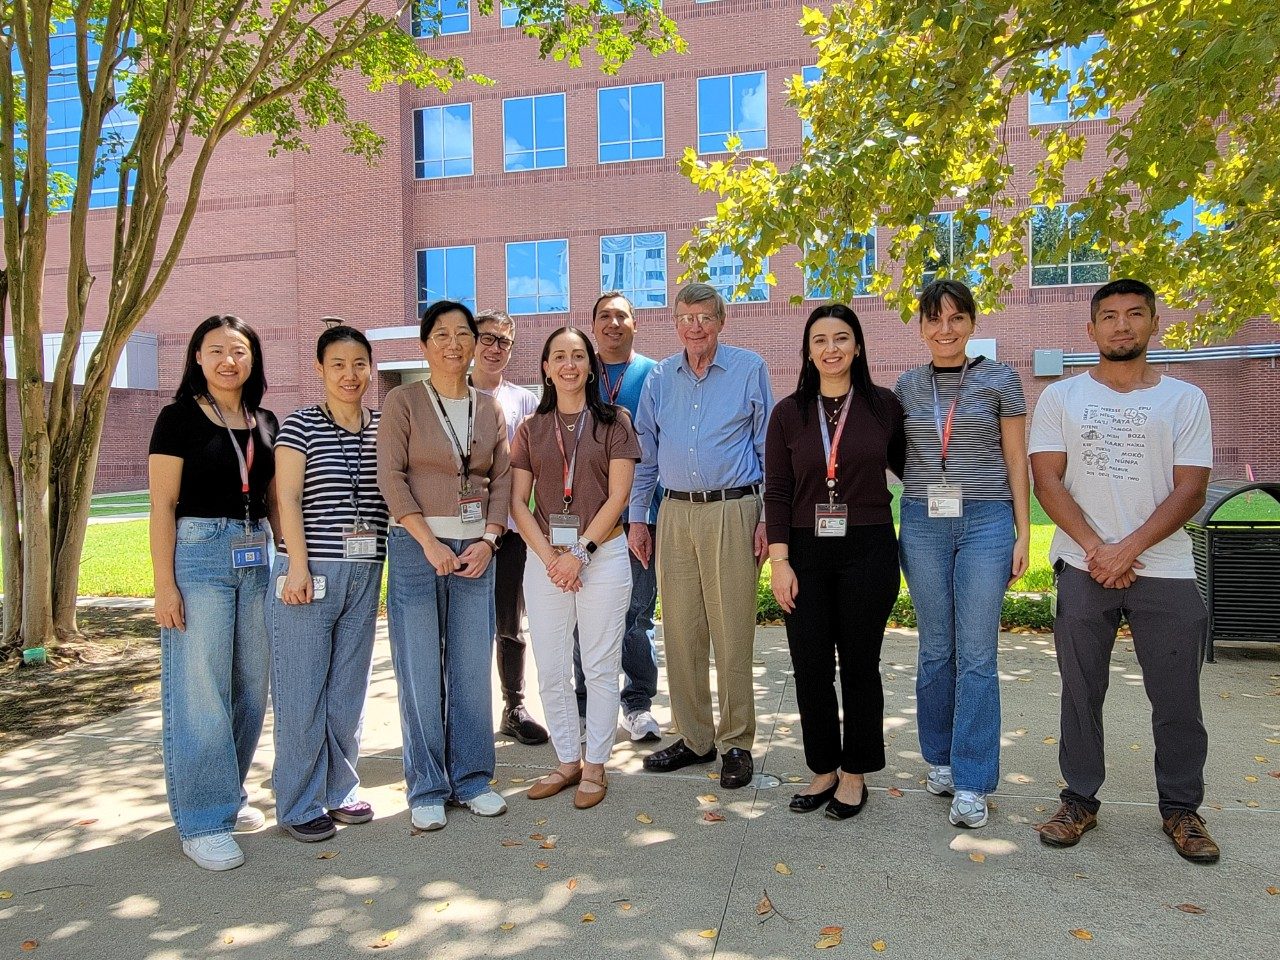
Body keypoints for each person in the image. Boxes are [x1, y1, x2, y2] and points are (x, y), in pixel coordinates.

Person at [1029, 278, 1218, 863]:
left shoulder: (1185, 400)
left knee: (1178, 696)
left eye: (1134, 314)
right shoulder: (1061, 398)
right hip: (1083, 566)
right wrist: (1096, 548)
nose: (1121, 325)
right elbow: (1047, 479)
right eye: (1108, 316)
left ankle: (1182, 809)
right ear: (1091, 329)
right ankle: (1079, 800)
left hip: (1165, 568)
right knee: (1081, 692)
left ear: (1153, 323)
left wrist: (1128, 546)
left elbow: (1191, 489)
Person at [894, 279, 1030, 829]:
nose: (944, 329)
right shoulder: (906, 386)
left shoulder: (1001, 379)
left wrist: (1023, 531)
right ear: (921, 326)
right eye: (934, 319)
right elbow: (897, 456)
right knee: (935, 648)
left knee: (976, 652)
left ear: (972, 323)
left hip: (986, 521)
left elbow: (1016, 458)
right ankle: (942, 757)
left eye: (956, 318)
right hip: (925, 521)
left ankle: (974, 778)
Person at [148, 315, 279, 871]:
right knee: (201, 689)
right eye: (217, 350)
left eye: (240, 350)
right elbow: (162, 507)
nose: (230, 360)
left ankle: (228, 792)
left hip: (258, 555)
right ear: (197, 358)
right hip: (199, 555)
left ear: (253, 359)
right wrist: (164, 585)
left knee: (251, 686)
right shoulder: (177, 419)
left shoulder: (265, 420)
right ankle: (202, 820)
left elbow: (275, 499)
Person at [765, 304, 905, 820]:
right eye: (820, 339)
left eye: (842, 338)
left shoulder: (884, 406)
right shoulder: (789, 412)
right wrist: (780, 562)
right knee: (810, 666)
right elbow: (777, 493)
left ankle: (855, 772)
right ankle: (823, 765)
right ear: (808, 350)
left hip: (868, 547)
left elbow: (917, 468)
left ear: (858, 346)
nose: (831, 348)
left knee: (860, 666)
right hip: (804, 550)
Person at [632, 282, 774, 790]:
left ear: (721, 321)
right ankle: (694, 738)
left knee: (732, 631)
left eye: (705, 318)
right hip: (674, 513)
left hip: (731, 510)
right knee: (681, 631)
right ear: (675, 323)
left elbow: (767, 450)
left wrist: (766, 519)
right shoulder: (659, 380)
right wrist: (637, 519)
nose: (695, 326)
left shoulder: (748, 369)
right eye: (686, 317)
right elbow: (646, 455)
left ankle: (736, 743)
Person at [377, 300, 512, 831]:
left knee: (472, 666)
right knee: (419, 669)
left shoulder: (490, 407)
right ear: (424, 344)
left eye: (463, 333)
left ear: (476, 344)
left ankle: (473, 778)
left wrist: (490, 539)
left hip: (476, 549)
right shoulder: (402, 402)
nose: (453, 343)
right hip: (417, 548)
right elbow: (391, 476)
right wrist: (428, 541)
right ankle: (427, 785)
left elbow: (501, 480)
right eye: (441, 334)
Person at [510, 327, 640, 808]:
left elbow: (619, 495)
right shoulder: (530, 428)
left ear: (590, 366)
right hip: (545, 563)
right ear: (545, 367)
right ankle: (566, 760)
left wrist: (579, 552)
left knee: (601, 668)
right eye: (558, 356)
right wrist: (551, 558)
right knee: (551, 668)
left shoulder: (616, 421)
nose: (569, 364)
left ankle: (595, 766)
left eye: (578, 356)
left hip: (601, 558)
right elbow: (517, 502)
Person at [269, 324, 389, 842]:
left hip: (366, 570)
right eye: (338, 364)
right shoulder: (299, 426)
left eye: (359, 364)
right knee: (301, 691)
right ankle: (298, 803)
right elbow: (286, 500)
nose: (349, 374)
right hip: (311, 570)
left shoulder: (384, 425)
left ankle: (339, 790)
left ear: (371, 369)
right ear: (320, 369)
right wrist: (297, 564)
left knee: (347, 689)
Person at [573, 291, 662, 744]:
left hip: (639, 516)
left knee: (637, 614)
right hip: (584, 519)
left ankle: (637, 703)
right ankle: (586, 705)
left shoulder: (654, 374)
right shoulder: (578, 371)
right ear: (593, 325)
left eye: (621, 316)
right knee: (581, 614)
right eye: (604, 316)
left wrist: (644, 511)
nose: (613, 323)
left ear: (635, 324)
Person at [470, 309, 549, 747]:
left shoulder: (526, 401)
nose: (495, 348)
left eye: (504, 341)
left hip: (513, 532)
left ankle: (514, 706)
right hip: (461, 530)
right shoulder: (451, 395)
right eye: (488, 339)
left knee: (509, 623)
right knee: (461, 626)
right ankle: (460, 711)